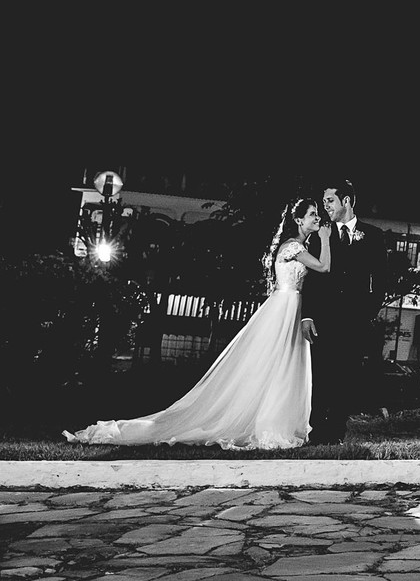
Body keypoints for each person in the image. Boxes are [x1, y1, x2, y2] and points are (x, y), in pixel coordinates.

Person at [63, 198, 332, 450]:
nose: (317, 218)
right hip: (284, 308)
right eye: (312, 215)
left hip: (289, 308)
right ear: (298, 220)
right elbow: (323, 268)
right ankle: (267, 423)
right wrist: (326, 239)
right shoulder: (293, 247)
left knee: (281, 366)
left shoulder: (298, 247)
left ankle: (274, 418)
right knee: (274, 364)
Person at [302, 179, 388, 443]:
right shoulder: (320, 235)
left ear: (346, 201)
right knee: (321, 373)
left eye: (330, 200)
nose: (325, 206)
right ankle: (316, 430)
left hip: (355, 319)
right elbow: (310, 278)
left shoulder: (373, 235)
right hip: (323, 317)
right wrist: (307, 314)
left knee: (345, 375)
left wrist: (368, 311)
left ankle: (336, 430)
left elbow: (381, 279)